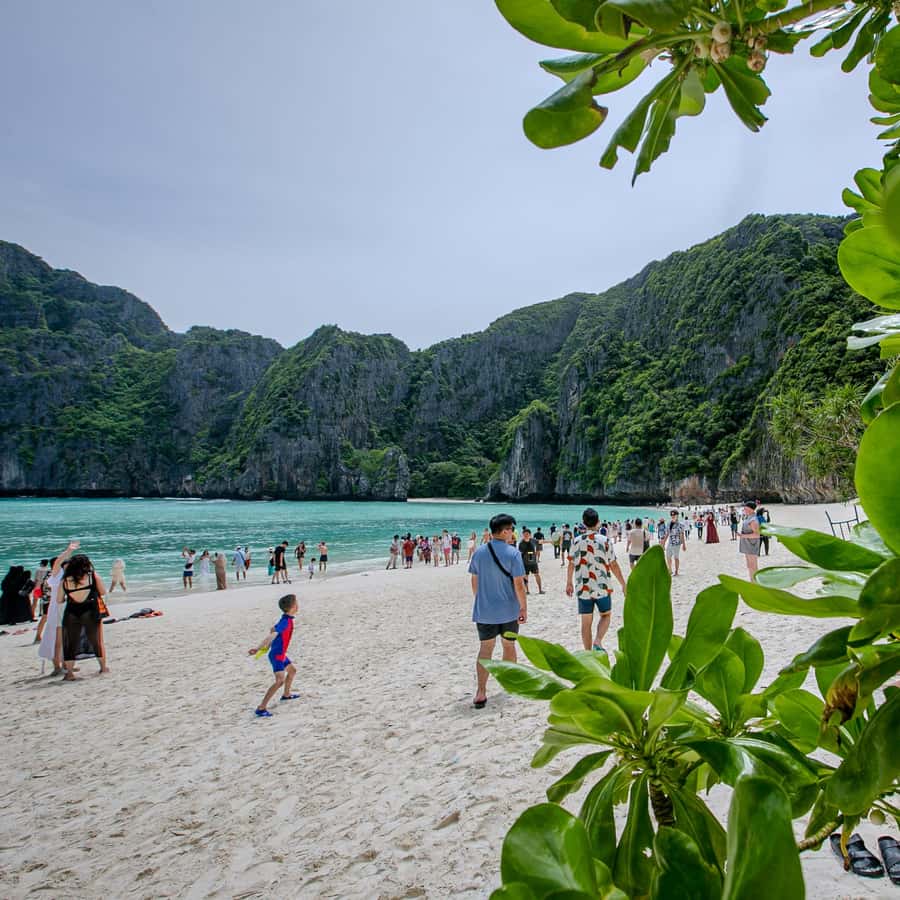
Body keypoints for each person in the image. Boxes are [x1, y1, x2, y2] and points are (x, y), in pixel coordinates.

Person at [468, 513, 527, 709]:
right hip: (509, 610)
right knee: (509, 646)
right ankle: (509, 683)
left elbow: (474, 581)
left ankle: (481, 692)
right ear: (504, 531)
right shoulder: (513, 554)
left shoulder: (478, 553)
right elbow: (519, 585)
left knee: (486, 649)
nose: (513, 533)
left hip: (485, 611)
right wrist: (523, 607)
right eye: (511, 529)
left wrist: (481, 600)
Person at [567, 510, 626, 654]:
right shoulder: (605, 541)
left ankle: (588, 653)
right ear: (598, 522)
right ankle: (598, 641)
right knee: (605, 615)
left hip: (583, 587)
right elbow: (613, 564)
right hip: (602, 586)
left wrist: (568, 582)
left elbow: (571, 563)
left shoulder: (576, 541)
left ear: (583, 522)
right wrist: (623, 584)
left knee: (586, 622)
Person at [248, 594, 300, 717]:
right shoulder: (285, 622)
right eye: (296, 603)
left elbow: (272, 629)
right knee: (279, 681)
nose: (298, 605)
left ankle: (286, 695)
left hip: (281, 654)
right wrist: (258, 648)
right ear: (293, 606)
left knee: (292, 671)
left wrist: (273, 634)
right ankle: (261, 708)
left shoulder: (286, 619)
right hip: (277, 655)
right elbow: (272, 634)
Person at [60, 554, 110, 680]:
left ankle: (70, 673)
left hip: (71, 611)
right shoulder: (91, 576)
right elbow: (103, 592)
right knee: (96, 640)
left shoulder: (65, 580)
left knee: (70, 642)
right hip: (90, 610)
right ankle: (103, 668)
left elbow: (59, 600)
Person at [518, 527, 544, 595]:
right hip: (525, 563)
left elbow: (540, 541)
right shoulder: (521, 543)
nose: (526, 535)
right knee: (526, 576)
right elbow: (519, 554)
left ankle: (540, 590)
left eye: (527, 534)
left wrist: (551, 542)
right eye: (524, 534)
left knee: (537, 575)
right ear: (523, 535)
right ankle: (527, 591)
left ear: (530, 534)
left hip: (533, 562)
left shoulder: (533, 540)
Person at [739, 500, 762, 578]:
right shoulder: (748, 517)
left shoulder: (753, 520)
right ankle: (752, 582)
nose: (744, 509)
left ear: (750, 509)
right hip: (747, 544)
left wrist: (743, 536)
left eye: (745, 508)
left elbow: (757, 535)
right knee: (749, 565)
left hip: (752, 545)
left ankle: (755, 582)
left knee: (753, 566)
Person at [663, 510, 687, 576]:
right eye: (672, 515)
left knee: (676, 558)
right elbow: (667, 534)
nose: (673, 516)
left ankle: (676, 571)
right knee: (668, 556)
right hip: (670, 543)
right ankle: (670, 570)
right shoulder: (668, 523)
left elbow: (682, 535)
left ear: (677, 515)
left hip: (677, 544)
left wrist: (684, 545)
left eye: (674, 515)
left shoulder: (680, 525)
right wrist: (663, 543)